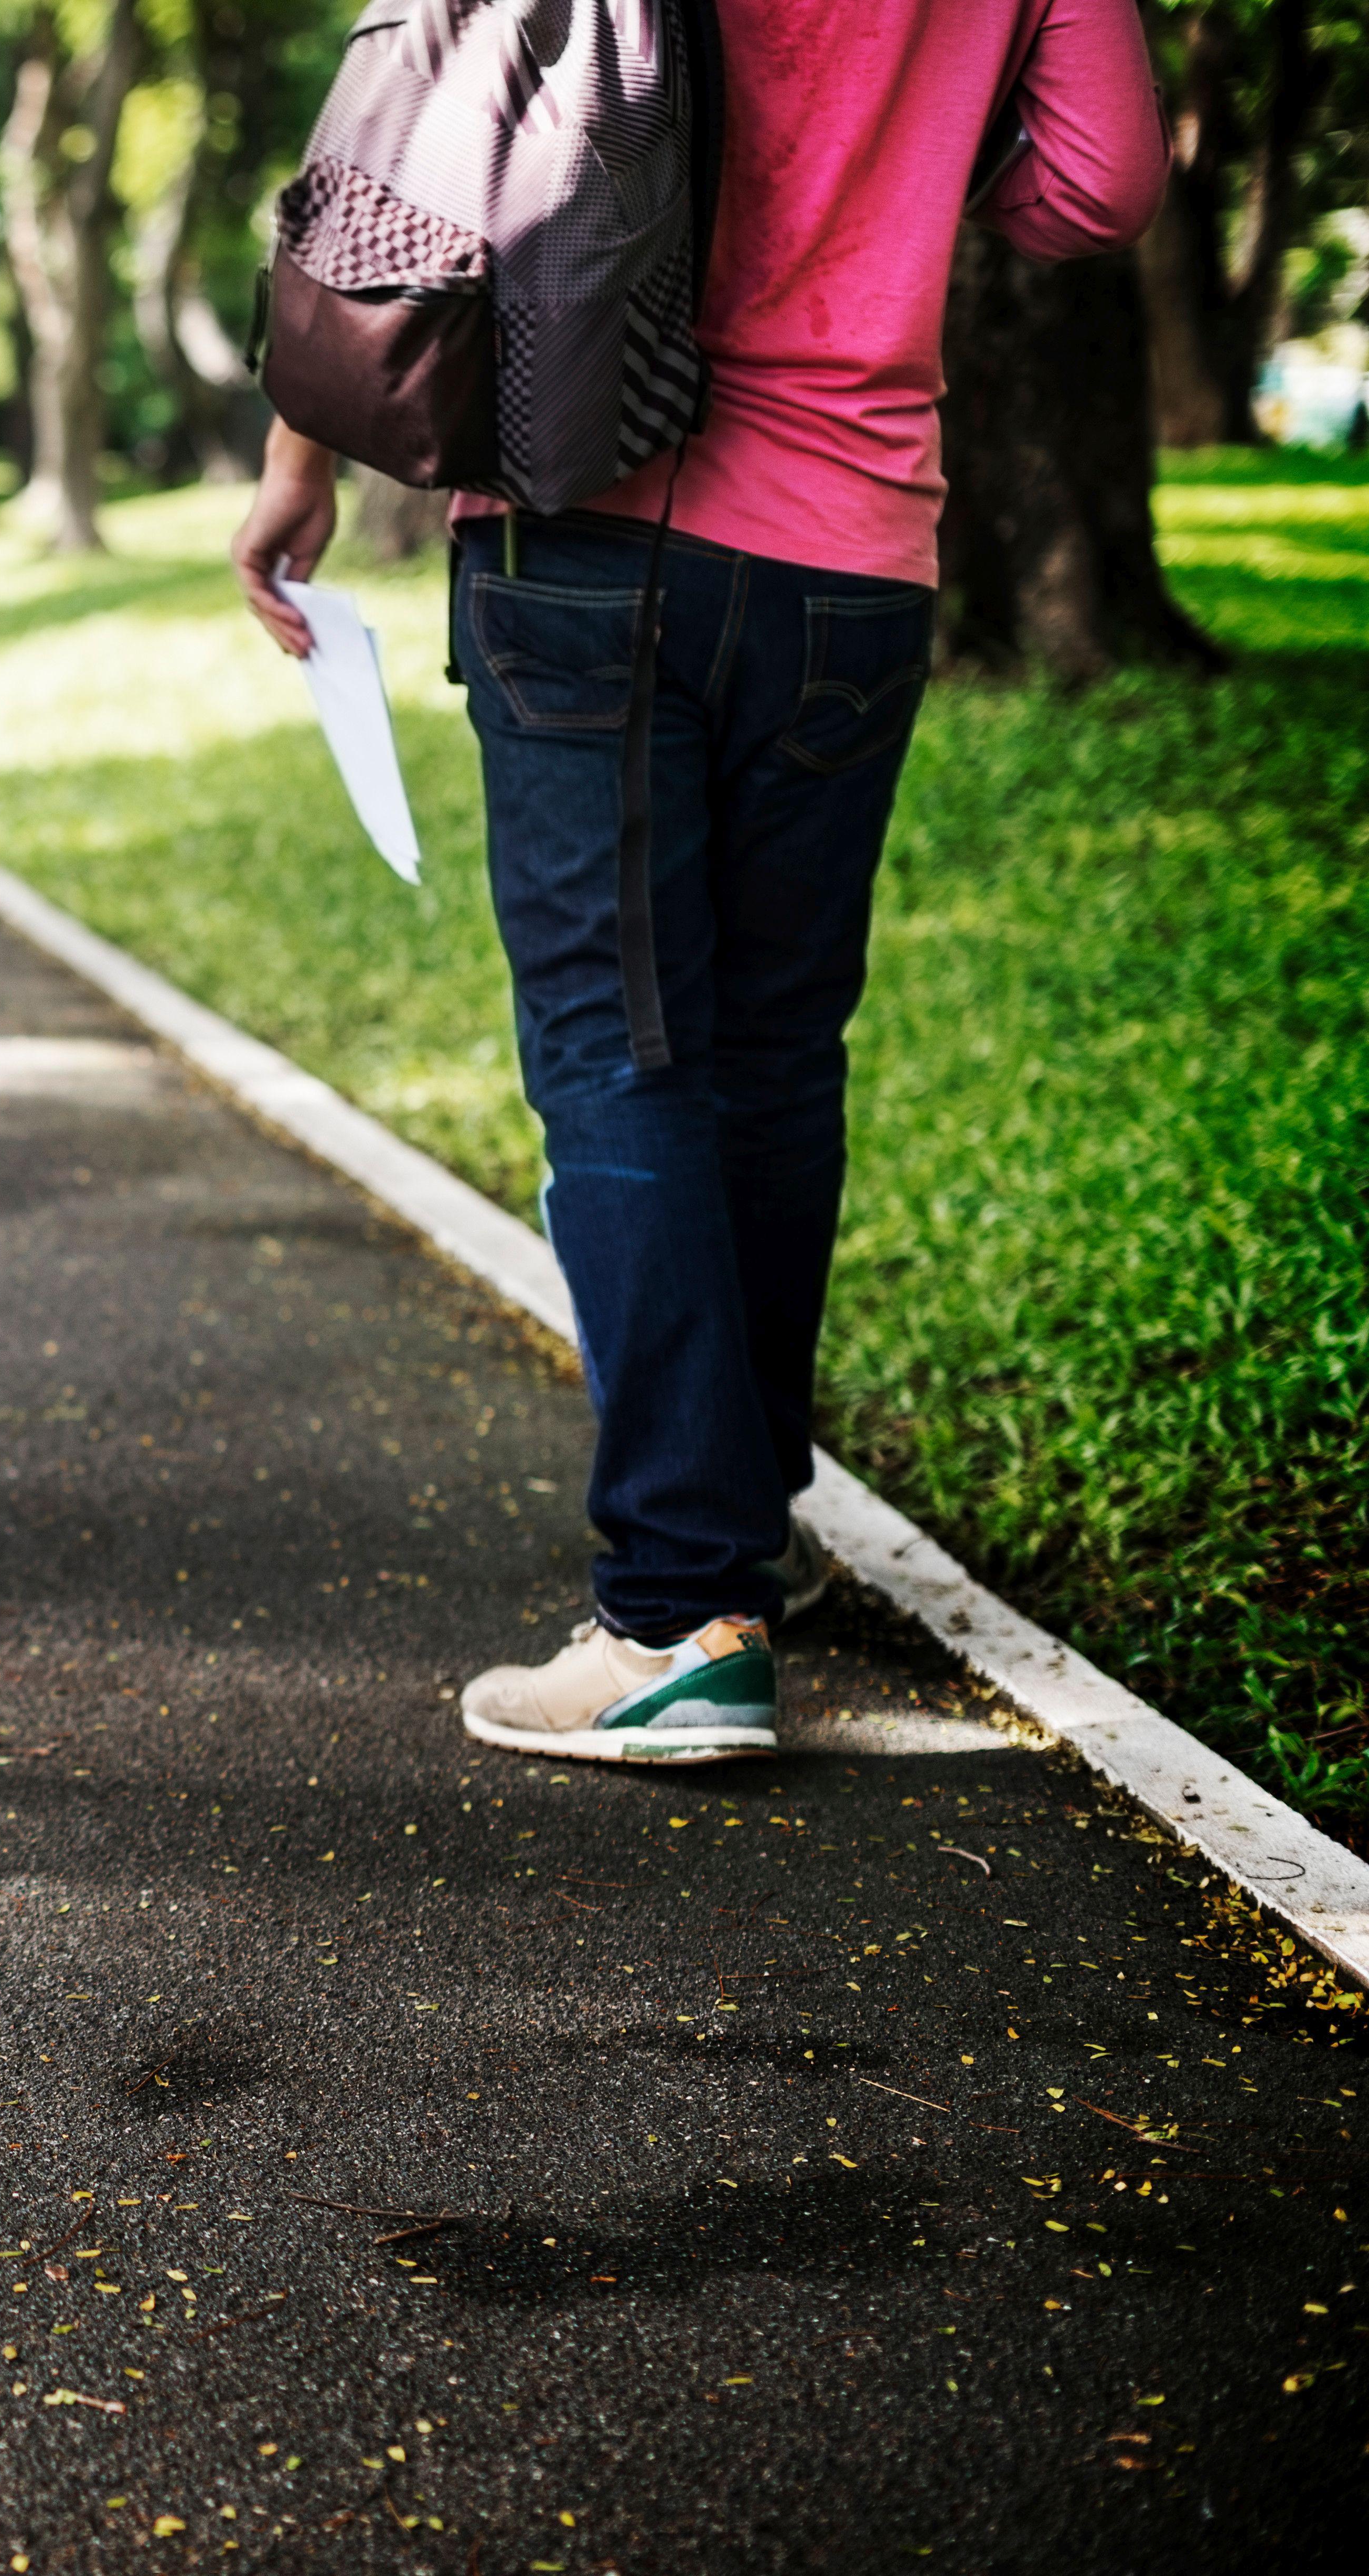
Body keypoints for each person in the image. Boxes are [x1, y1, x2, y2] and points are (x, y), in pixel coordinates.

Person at [232, 0, 1162, 1765]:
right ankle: (748, 1520)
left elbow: (407, 136)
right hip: (857, 545)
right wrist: (894, 200)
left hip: (589, 518)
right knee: (774, 1048)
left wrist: (304, 460)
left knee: (620, 1047)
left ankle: (677, 1607)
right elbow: (1103, 184)